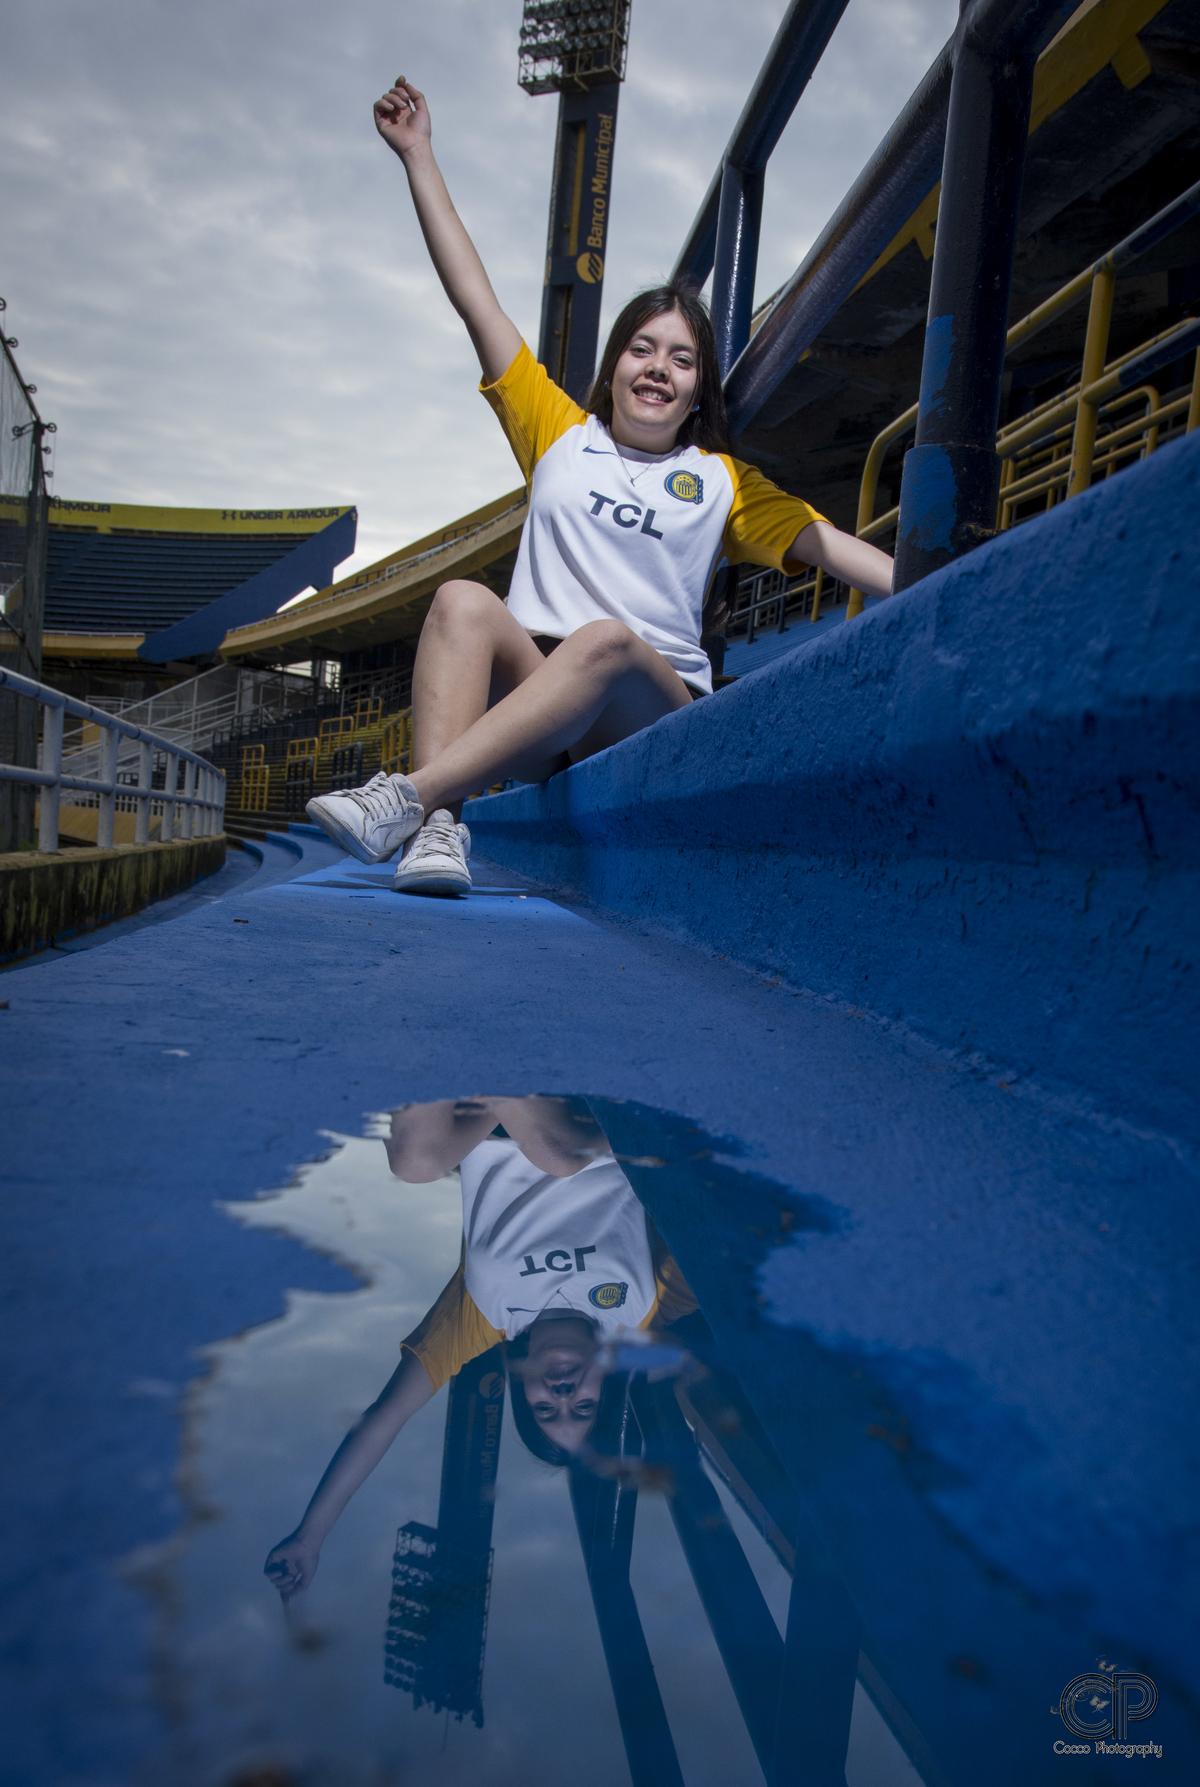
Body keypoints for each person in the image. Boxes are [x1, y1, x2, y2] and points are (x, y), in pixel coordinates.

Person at [306, 75, 895, 895]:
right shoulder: (558, 433)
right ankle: (438, 833)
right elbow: (474, 299)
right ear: (614, 365)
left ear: (699, 389)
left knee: (608, 639)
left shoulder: (720, 478)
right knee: (459, 601)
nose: (658, 368)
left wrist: (948, 577)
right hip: (543, 698)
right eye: (642, 349)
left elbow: (831, 547)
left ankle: (406, 797)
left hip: (647, 703)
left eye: (681, 358)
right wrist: (418, 157)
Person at [263, 1095, 698, 1599]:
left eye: (544, 1407)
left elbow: (385, 1417)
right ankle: (507, 1080)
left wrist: (310, 1537)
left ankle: (469, 1055)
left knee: (413, 1163)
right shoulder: (646, 1307)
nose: (561, 1392)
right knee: (558, 1158)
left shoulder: (484, 1316)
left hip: (488, 1124)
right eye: (582, 1406)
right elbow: (729, 1233)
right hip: (588, 1119)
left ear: (523, 1388)